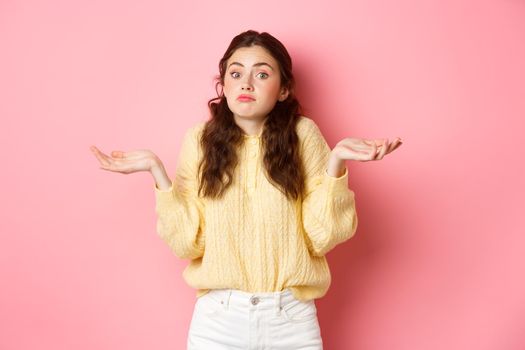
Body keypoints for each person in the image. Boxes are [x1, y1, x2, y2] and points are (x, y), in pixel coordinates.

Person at [90, 29, 402, 350]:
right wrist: (159, 175)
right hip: (218, 321)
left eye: (262, 74)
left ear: (283, 90)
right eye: (235, 73)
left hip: (291, 320)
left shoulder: (303, 135)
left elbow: (321, 235)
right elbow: (188, 243)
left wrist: (336, 164)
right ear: (223, 85)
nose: (246, 83)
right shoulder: (199, 141)